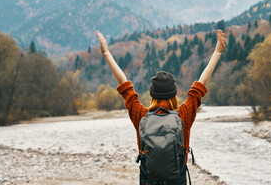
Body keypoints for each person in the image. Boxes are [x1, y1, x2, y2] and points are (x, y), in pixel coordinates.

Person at [95, 30, 226, 184]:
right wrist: (217, 52)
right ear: (174, 95)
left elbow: (125, 86)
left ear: (152, 95)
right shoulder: (183, 115)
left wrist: (106, 53)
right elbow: (199, 86)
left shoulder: (141, 116)